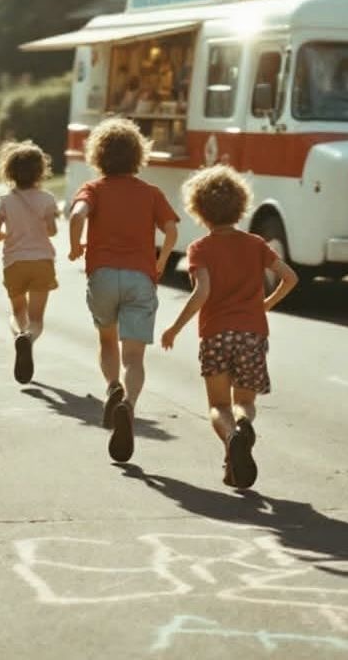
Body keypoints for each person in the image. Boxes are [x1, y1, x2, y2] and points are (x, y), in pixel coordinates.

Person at [160, 165, 298, 489]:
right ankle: (242, 426)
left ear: (199, 210)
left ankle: (232, 437)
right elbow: (291, 277)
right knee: (244, 402)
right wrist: (265, 305)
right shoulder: (256, 244)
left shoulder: (200, 249)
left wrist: (175, 328)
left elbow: (202, 292)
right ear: (240, 204)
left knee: (217, 405)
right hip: (252, 334)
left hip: (216, 335)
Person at [68, 117, 179, 463]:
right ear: (137, 154)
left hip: (102, 276)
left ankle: (111, 386)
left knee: (107, 340)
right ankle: (128, 404)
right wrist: (160, 261)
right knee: (135, 356)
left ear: (98, 154)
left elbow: (77, 215)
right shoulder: (151, 193)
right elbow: (172, 229)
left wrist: (75, 246)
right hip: (139, 278)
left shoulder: (93, 189)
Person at [0, 141, 60, 385]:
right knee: (37, 318)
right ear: (41, 171)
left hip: (14, 263)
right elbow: (51, 231)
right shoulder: (48, 199)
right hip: (41, 261)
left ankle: (19, 334)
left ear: (8, 171)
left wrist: (6, 235)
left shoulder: (3, 200)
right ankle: (29, 338)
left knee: (18, 311)